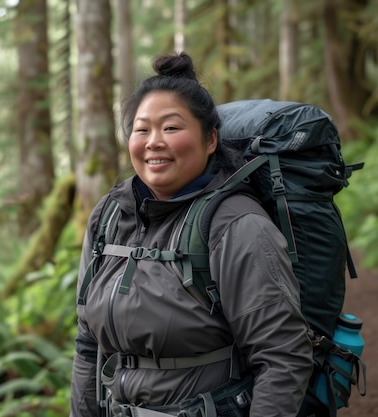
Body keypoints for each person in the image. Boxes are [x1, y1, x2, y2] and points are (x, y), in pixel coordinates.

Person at [69, 52, 313, 417]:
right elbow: (88, 344)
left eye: (171, 128)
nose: (153, 141)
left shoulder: (236, 225)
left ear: (210, 140)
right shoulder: (108, 216)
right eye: (141, 129)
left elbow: (282, 357)